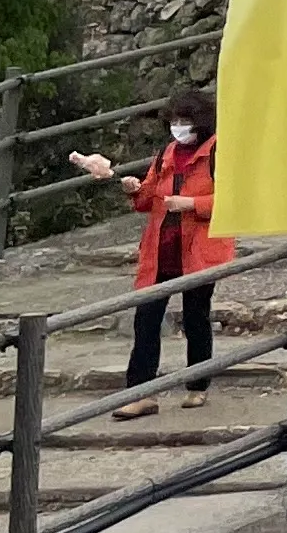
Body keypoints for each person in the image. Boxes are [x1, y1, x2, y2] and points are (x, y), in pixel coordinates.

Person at [71, 86, 232, 417]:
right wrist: (131, 187)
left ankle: (197, 384)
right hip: (161, 251)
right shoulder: (167, 153)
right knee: (146, 320)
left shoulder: (219, 152)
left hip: (199, 252)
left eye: (184, 120)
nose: (178, 127)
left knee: (195, 318)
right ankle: (141, 393)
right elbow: (148, 199)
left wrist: (192, 204)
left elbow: (234, 201)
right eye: (174, 120)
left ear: (200, 122)